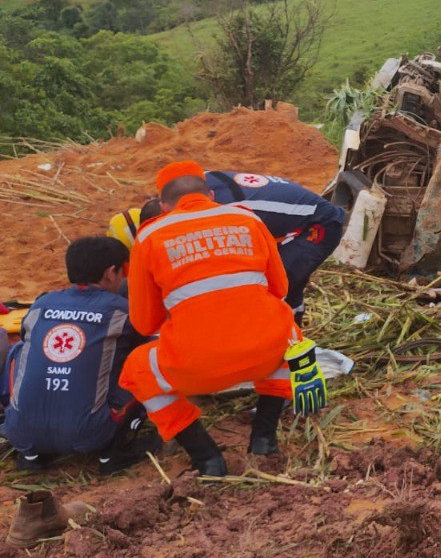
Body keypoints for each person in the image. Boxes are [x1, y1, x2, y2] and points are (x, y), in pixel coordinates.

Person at [118, 160, 299, 476]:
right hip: (264, 355)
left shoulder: (150, 236)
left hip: (195, 367)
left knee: (138, 368)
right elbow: (280, 289)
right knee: (292, 334)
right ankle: (263, 438)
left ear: (163, 205)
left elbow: (144, 323)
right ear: (211, 195)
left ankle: (206, 458)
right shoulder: (247, 218)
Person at [2, 237, 159, 475]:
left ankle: (31, 454)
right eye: (124, 271)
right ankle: (116, 452)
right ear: (110, 272)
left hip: (21, 431)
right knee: (145, 359)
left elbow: (26, 336)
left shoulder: (42, 304)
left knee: (21, 352)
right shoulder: (121, 310)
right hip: (90, 434)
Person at [204, 171, 345, 320]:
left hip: (319, 224)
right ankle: (294, 330)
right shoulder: (196, 181)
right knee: (286, 287)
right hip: (292, 218)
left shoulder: (221, 209)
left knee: (273, 288)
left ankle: (283, 335)